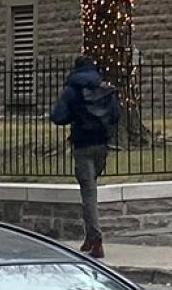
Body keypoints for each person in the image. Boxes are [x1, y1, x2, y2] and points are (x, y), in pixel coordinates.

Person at [50, 54, 121, 258]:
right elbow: (115, 116)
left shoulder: (71, 91)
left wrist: (75, 114)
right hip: (101, 145)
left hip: (82, 146)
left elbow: (57, 116)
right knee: (91, 188)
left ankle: (95, 238)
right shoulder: (105, 89)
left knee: (88, 194)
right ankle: (90, 238)